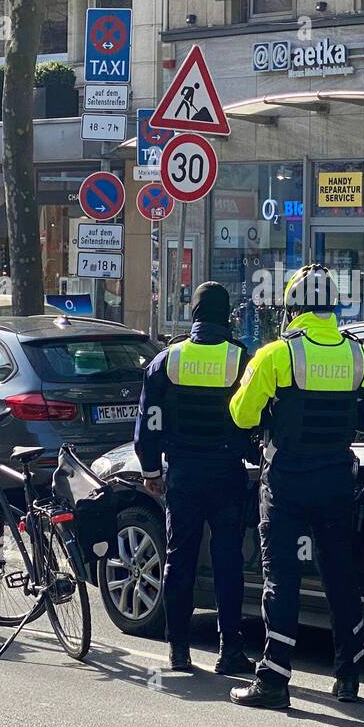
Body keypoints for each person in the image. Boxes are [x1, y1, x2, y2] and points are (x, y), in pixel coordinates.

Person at [227, 264, 364, 709]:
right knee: (340, 577)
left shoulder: (277, 355)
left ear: (292, 308)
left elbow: (241, 414)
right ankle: (349, 676)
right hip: (336, 481)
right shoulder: (360, 356)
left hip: (287, 482)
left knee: (281, 578)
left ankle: (274, 681)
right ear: (333, 306)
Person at [134, 281, 257, 676]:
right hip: (226, 474)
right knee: (228, 561)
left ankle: (179, 650)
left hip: (183, 474)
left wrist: (151, 471)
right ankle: (230, 650)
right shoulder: (241, 360)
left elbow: (148, 423)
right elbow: (254, 419)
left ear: (195, 315)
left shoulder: (167, 360)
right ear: (226, 315)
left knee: (179, 558)